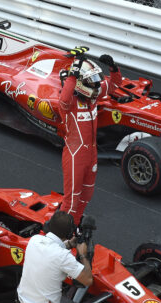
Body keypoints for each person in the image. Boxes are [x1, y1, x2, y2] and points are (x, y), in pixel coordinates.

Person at [58, 50, 122, 225]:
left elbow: (114, 85)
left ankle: (75, 226)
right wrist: (74, 73)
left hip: (91, 154)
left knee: (86, 197)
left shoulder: (93, 98)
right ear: (78, 83)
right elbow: (63, 99)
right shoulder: (68, 104)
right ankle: (61, 235)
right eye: (91, 81)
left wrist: (113, 67)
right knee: (71, 202)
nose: (96, 85)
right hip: (75, 155)